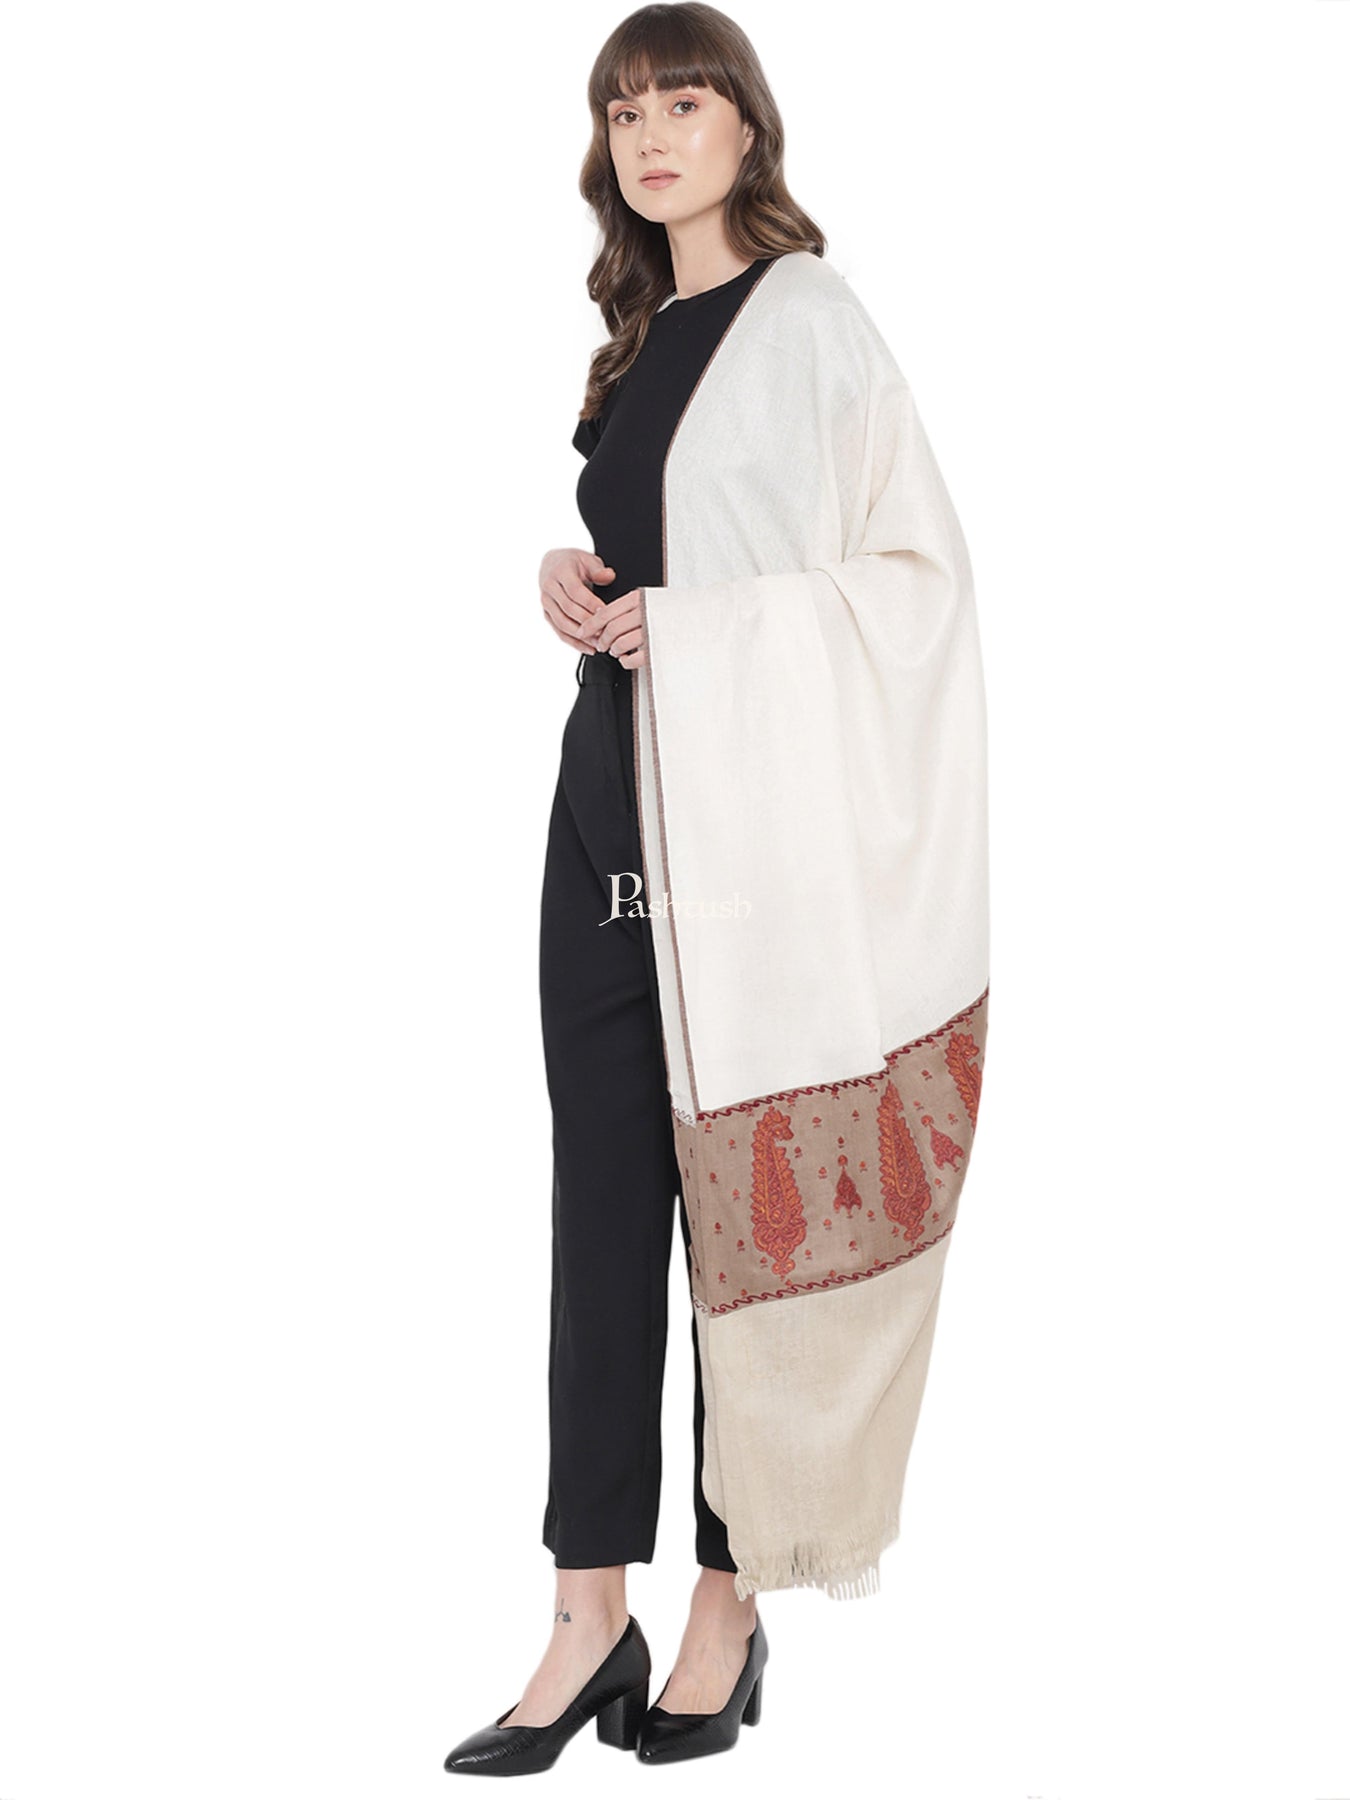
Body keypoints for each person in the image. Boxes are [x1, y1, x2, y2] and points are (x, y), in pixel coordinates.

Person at [445, 0, 988, 1776]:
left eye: (684, 101)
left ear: (747, 125)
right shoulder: (637, 339)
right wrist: (574, 574)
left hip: (750, 853)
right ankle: (580, 1610)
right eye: (623, 111)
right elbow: (660, 557)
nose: (652, 135)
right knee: (602, 1211)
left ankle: (726, 1605)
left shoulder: (810, 322)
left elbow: (913, 585)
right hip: (607, 819)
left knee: (740, 1219)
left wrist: (693, 630)